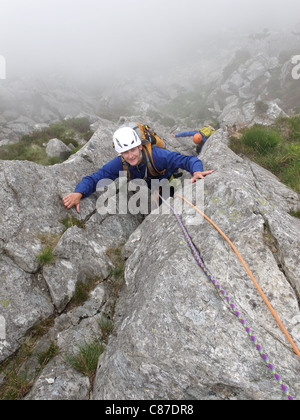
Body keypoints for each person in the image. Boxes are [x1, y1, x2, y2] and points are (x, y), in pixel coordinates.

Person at [62, 126, 214, 214]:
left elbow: (188, 160)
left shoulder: (158, 156)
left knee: (167, 206)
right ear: (120, 154)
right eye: (125, 152)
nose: (130, 156)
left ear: (140, 146)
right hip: (149, 183)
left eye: (133, 150)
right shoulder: (120, 163)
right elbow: (96, 178)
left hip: (165, 179)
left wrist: (196, 171)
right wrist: (79, 192)